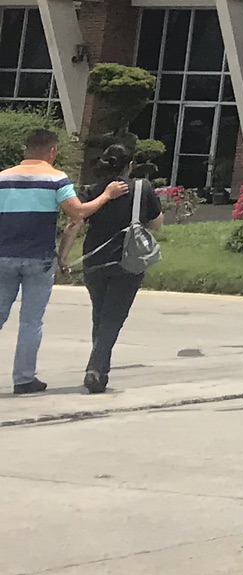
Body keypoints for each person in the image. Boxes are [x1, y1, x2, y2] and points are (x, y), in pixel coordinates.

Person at [1, 125, 129, 395]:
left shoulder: (3, 178)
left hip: (3, 256)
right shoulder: (56, 179)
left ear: (25, 150)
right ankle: (24, 378)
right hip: (39, 258)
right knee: (30, 321)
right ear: (52, 151)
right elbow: (79, 212)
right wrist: (106, 195)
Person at [76, 142, 162, 393]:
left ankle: (100, 371)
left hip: (94, 260)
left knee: (100, 315)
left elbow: (76, 222)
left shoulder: (90, 190)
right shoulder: (141, 188)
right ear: (130, 166)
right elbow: (157, 222)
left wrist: (62, 257)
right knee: (113, 318)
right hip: (128, 261)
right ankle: (96, 367)